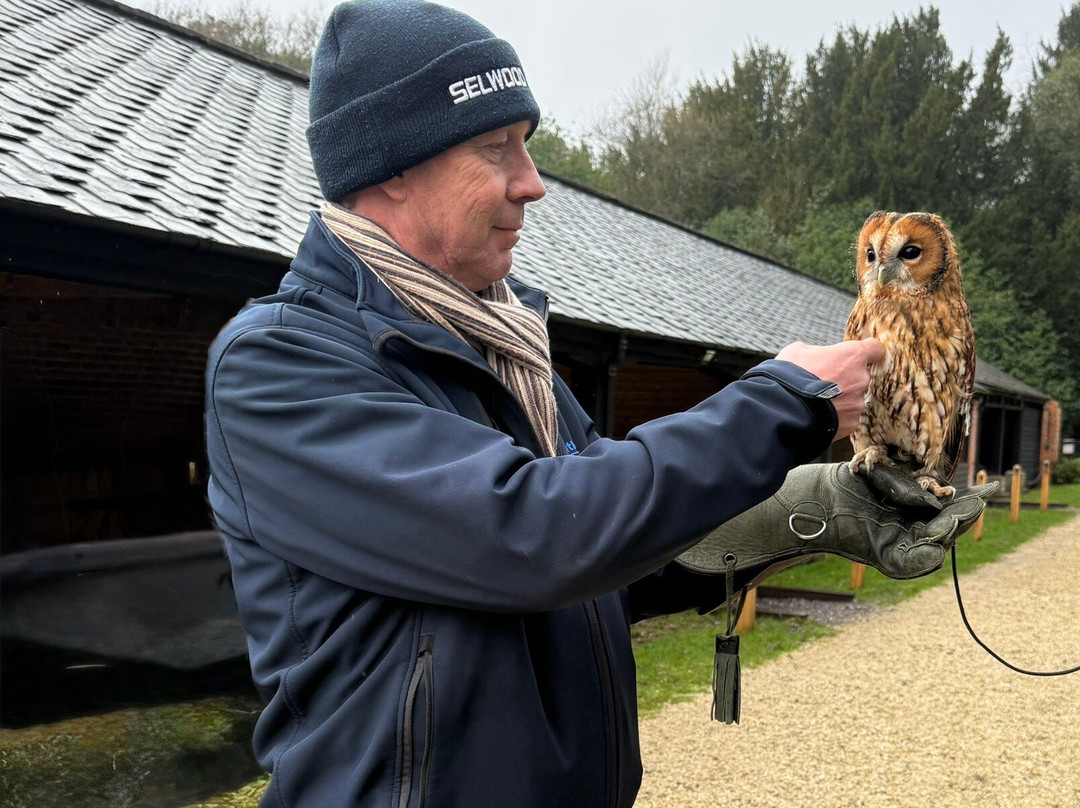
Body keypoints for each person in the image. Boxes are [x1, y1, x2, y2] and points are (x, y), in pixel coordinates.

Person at [204, 2, 994, 806]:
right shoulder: (280, 367)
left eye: (529, 147)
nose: (532, 183)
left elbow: (612, 545)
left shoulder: (506, 353)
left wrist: (818, 510)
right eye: (494, 149)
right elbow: (535, 534)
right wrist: (782, 402)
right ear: (391, 169)